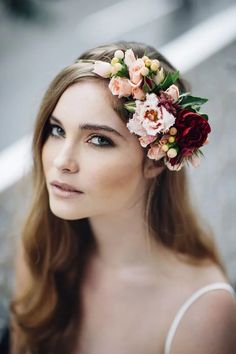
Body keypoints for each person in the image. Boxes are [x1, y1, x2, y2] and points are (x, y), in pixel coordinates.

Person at [9, 40, 236, 354]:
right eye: (57, 130)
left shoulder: (202, 312)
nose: (62, 161)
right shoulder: (42, 247)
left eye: (99, 140)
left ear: (155, 161)